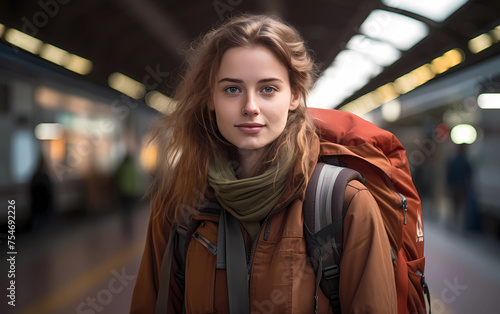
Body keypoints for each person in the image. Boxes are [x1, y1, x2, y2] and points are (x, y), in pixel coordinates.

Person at [130, 14, 396, 313]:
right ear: (210, 98)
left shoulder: (343, 203)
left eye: (268, 89)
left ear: (294, 95)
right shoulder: (179, 199)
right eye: (232, 89)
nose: (250, 107)